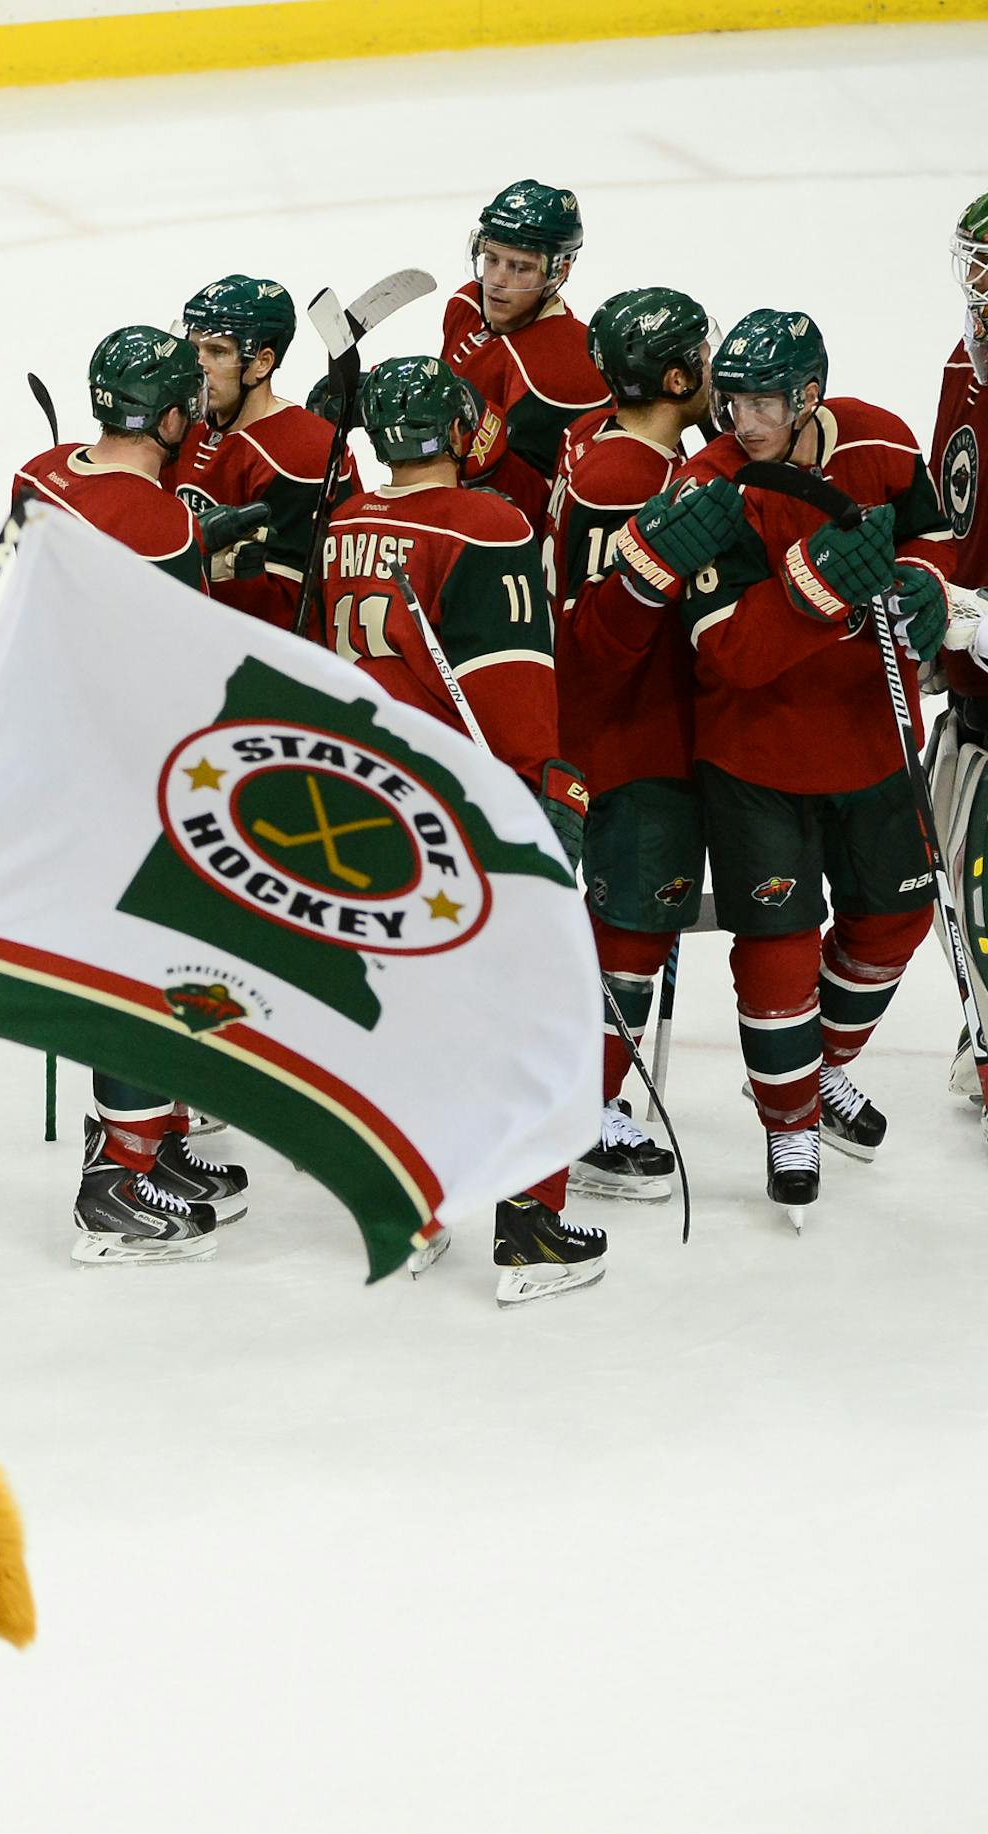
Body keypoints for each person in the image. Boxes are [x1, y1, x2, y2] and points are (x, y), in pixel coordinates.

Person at [319, 355, 603, 1302]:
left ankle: (404, 1204)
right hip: (457, 815)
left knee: (404, 1016)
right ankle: (531, 1226)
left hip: (359, 807)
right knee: (536, 1013)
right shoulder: (488, 523)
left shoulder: (348, 522)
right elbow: (510, 693)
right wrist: (544, 793)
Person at [677, 309, 953, 1218]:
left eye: (763, 402)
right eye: (733, 399)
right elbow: (728, 653)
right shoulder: (712, 484)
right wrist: (818, 580)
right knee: (779, 954)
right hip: (755, 757)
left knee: (898, 919)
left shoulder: (878, 438)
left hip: (874, 737)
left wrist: (923, 586)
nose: (743, 420)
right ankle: (789, 1119)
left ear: (808, 396)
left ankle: (816, 1071)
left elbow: (933, 539)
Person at [11, 325, 247, 1262]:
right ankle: (114, 1183)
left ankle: (154, 1148)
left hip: (49, 753)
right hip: (123, 773)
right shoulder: (165, 526)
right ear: (175, 413)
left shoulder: (38, 471)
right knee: (146, 972)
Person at [548, 286, 742, 1200]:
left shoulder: (604, 439)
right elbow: (604, 635)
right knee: (630, 930)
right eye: (703, 357)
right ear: (674, 377)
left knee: (626, 926)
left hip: (619, 731)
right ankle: (580, 1117)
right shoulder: (631, 476)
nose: (718, 371)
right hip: (632, 740)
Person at [168, 273, 357, 631]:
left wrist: (211, 572)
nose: (199, 366)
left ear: (262, 362)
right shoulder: (183, 426)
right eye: (195, 350)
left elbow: (296, 609)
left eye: (218, 351)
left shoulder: (305, 453)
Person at [440, 180, 610, 528]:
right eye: (492, 259)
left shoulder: (568, 363)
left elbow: (552, 510)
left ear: (559, 271)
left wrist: (491, 460)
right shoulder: (467, 306)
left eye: (519, 267)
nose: (497, 280)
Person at [927, 193, 988, 1105]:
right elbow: (951, 515)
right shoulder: (964, 364)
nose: (978, 290)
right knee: (961, 893)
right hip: (975, 698)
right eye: (974, 266)